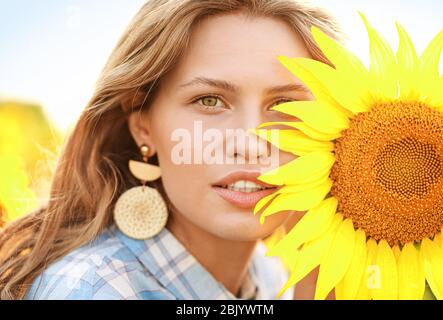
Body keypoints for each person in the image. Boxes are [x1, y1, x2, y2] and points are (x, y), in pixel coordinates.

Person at [0, 0, 341, 300]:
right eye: (209, 101)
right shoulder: (94, 289)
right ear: (144, 127)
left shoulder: (271, 280)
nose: (250, 146)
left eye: (284, 105)